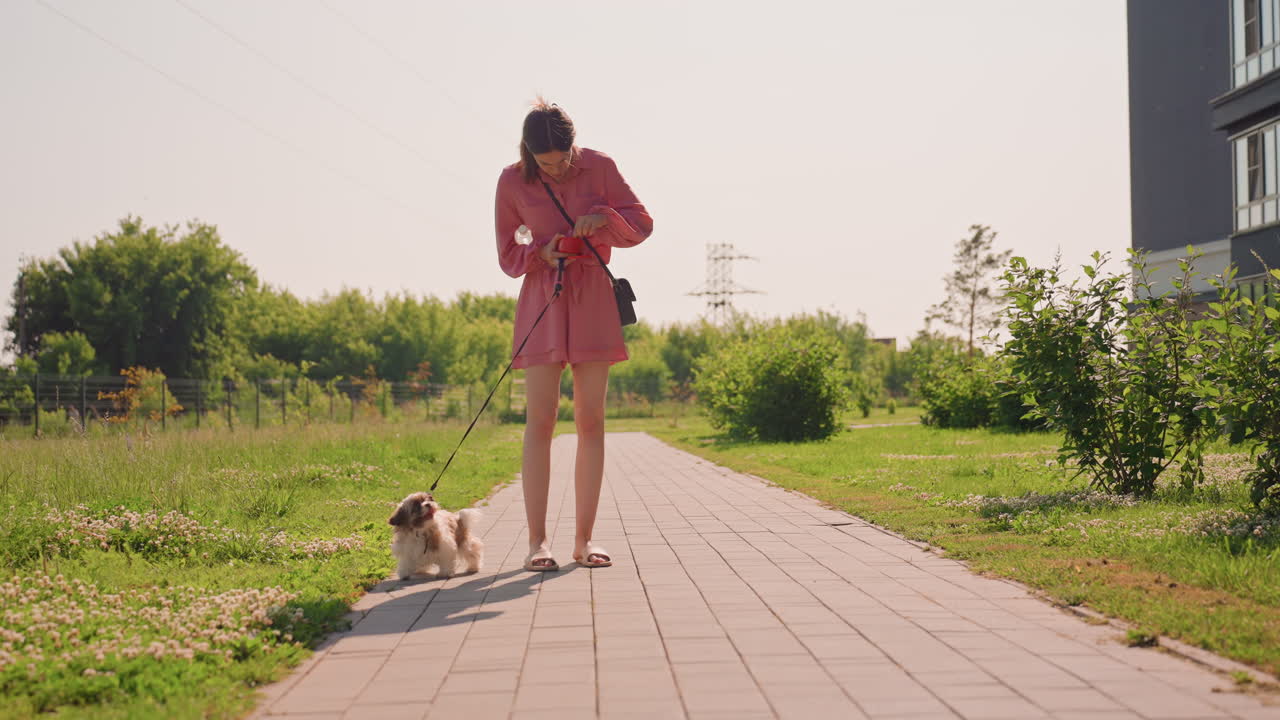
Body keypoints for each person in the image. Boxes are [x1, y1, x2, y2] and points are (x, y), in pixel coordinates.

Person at [494, 100, 652, 571]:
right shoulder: (511, 180)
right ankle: (537, 543)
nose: (559, 169)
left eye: (564, 160)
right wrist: (541, 252)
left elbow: (642, 225)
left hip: (593, 297)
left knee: (591, 421)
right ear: (528, 153)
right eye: (547, 164)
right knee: (539, 421)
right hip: (542, 298)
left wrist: (602, 216)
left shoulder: (599, 167)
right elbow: (507, 253)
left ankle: (585, 540)